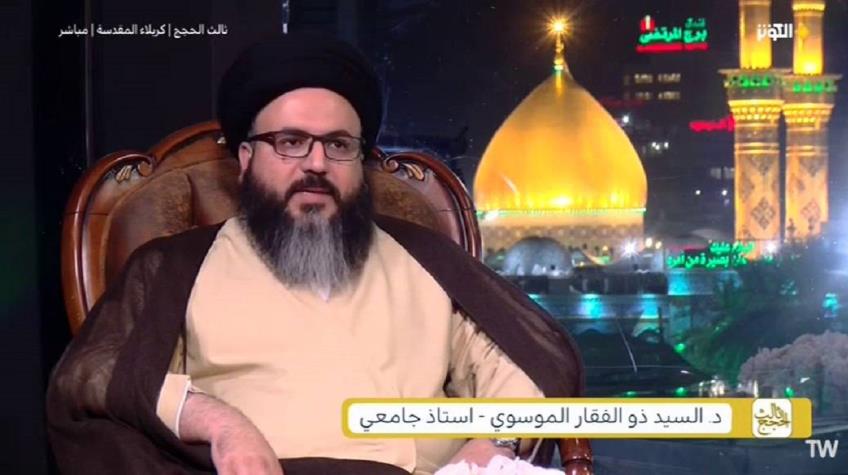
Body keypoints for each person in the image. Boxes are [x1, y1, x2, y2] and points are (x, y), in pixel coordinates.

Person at [46, 33, 583, 475]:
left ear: (359, 161)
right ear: (246, 158)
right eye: (290, 142)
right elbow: (100, 375)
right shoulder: (177, 265)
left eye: (339, 145)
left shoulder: (424, 256)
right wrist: (221, 423)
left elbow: (521, 357)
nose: (317, 163)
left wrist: (492, 443)